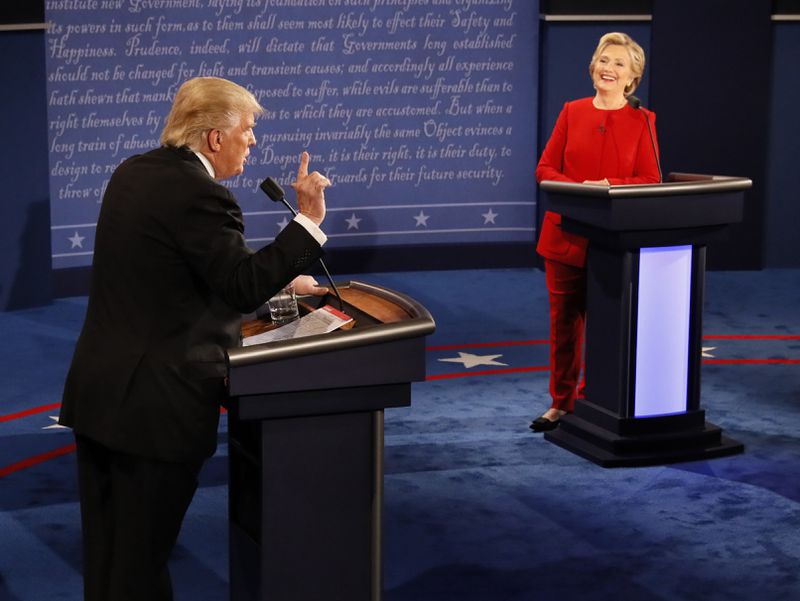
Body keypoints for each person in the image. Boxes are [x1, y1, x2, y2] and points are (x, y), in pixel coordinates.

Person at [58, 76, 331, 600]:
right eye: (248, 130)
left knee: (110, 560)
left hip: (101, 396)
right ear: (214, 137)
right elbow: (239, 284)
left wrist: (282, 279)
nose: (252, 141)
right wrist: (310, 223)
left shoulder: (134, 172)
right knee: (140, 567)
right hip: (156, 411)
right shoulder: (201, 195)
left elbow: (175, 276)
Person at [530, 32, 661, 432]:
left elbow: (650, 179)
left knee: (607, 326)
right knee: (564, 326)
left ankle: (597, 400)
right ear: (593, 67)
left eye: (619, 63)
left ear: (632, 77)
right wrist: (577, 189)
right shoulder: (572, 112)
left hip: (612, 243)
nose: (608, 68)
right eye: (604, 60)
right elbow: (545, 169)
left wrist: (610, 184)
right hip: (565, 236)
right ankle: (561, 402)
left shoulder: (643, 120)